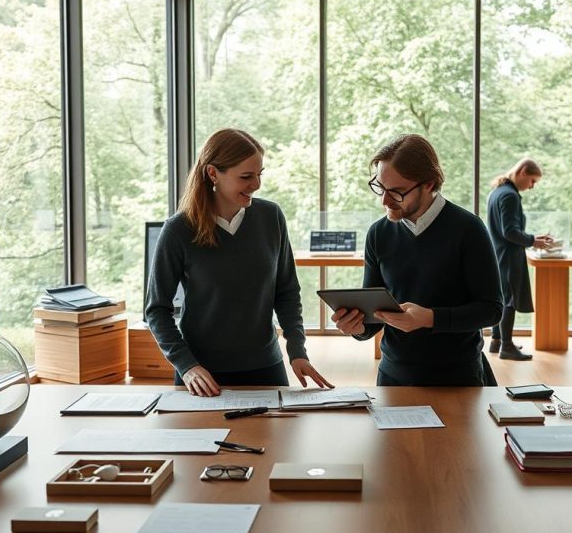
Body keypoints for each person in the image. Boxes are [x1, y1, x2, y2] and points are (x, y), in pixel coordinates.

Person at [145, 128, 332, 396]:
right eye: (246, 176)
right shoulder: (178, 230)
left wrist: (297, 351)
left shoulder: (271, 217)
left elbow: (287, 292)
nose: (256, 184)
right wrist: (186, 366)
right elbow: (156, 310)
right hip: (201, 374)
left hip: (266, 367)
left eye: (259, 174)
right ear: (213, 174)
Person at [331, 134, 503, 386]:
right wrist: (357, 327)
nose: (385, 201)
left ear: (430, 185)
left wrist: (428, 318)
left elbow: (491, 310)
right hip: (392, 375)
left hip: (458, 377)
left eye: (397, 192)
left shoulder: (469, 229)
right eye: (380, 187)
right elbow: (374, 313)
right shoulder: (378, 233)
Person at [486, 158, 552, 361]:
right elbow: (510, 231)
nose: (532, 187)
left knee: (502, 297)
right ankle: (507, 346)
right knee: (510, 300)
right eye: (532, 181)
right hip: (509, 256)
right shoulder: (510, 196)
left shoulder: (497, 192)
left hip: (497, 253)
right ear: (523, 171)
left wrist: (533, 239)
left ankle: (496, 341)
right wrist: (534, 241)